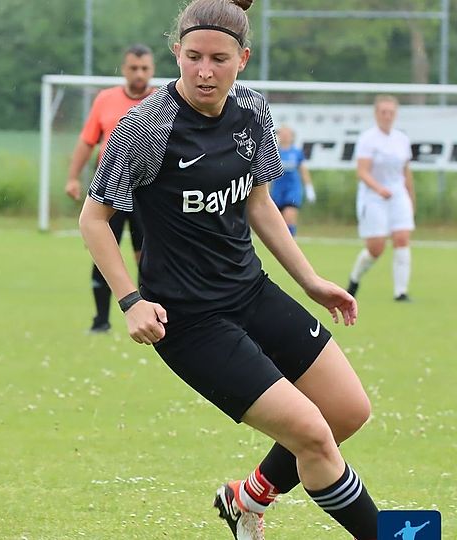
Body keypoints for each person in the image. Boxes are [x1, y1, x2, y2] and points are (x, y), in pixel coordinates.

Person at [78, 1, 380, 539]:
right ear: (176, 53)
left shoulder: (253, 111)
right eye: (192, 57)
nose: (204, 71)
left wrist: (310, 281)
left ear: (242, 58)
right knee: (312, 433)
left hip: (251, 292)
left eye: (219, 59)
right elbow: (94, 220)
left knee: (348, 412)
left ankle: (247, 499)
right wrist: (130, 301)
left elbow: (260, 204)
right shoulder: (145, 126)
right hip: (192, 322)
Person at [65, 44, 156, 333]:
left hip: (149, 193)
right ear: (124, 68)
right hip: (111, 190)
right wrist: (73, 177)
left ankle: (157, 319)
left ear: (151, 70)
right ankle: (101, 321)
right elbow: (87, 141)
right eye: (133, 68)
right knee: (104, 251)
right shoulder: (106, 100)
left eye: (144, 68)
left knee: (150, 258)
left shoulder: (163, 101)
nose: (139, 74)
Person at [346, 95, 416, 302]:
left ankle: (400, 292)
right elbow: (363, 171)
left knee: (402, 238)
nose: (387, 116)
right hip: (373, 197)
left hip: (398, 195)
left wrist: (411, 197)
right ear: (376, 114)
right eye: (383, 112)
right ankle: (354, 280)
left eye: (391, 112)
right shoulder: (368, 139)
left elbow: (406, 172)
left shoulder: (401, 139)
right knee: (376, 248)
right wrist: (379, 188)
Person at [269, 125, 315, 236]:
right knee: (278, 223)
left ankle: (290, 244)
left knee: (289, 217)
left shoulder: (297, 153)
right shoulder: (273, 152)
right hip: (278, 190)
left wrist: (309, 188)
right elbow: (267, 174)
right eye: (282, 134)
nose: (285, 137)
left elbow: (303, 171)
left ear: (292, 137)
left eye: (287, 134)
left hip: (292, 190)